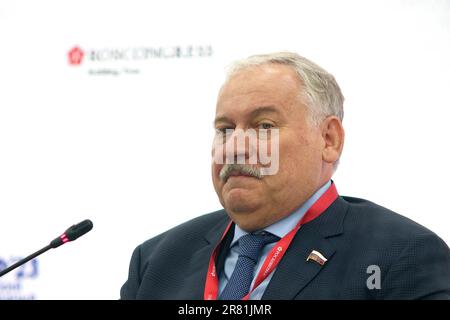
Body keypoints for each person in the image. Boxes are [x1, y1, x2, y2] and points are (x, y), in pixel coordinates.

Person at [120, 52, 450, 300]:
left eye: (264, 126)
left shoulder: (403, 256)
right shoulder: (156, 261)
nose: (235, 147)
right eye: (225, 129)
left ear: (328, 140)